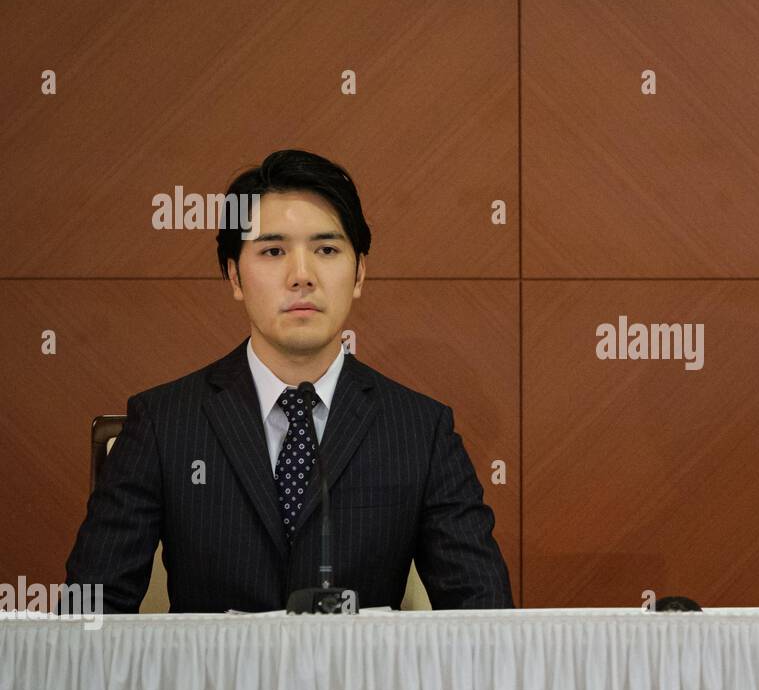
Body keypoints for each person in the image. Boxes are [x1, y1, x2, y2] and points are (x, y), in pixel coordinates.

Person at [64, 149, 514, 613]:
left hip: (359, 686)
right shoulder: (162, 424)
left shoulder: (421, 431)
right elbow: (88, 614)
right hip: (213, 686)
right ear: (235, 275)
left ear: (359, 271)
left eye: (326, 250)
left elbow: (484, 616)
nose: (302, 276)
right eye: (273, 251)